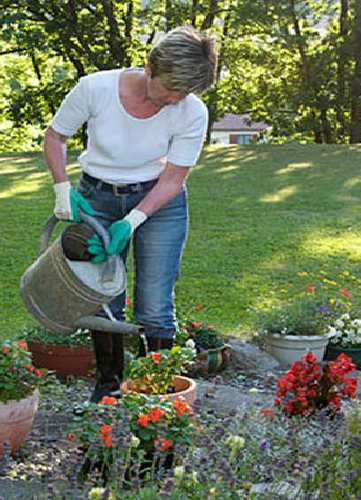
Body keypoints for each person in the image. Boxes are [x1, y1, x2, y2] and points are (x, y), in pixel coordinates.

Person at [42, 26, 218, 402]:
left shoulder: (191, 111)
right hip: (97, 198)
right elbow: (56, 137)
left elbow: (173, 179)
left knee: (155, 301)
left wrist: (132, 220)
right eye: (170, 87)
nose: (174, 98)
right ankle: (109, 387)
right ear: (150, 66)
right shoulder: (96, 89)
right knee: (105, 297)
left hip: (159, 202)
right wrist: (63, 192)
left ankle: (154, 393)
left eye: (184, 92)